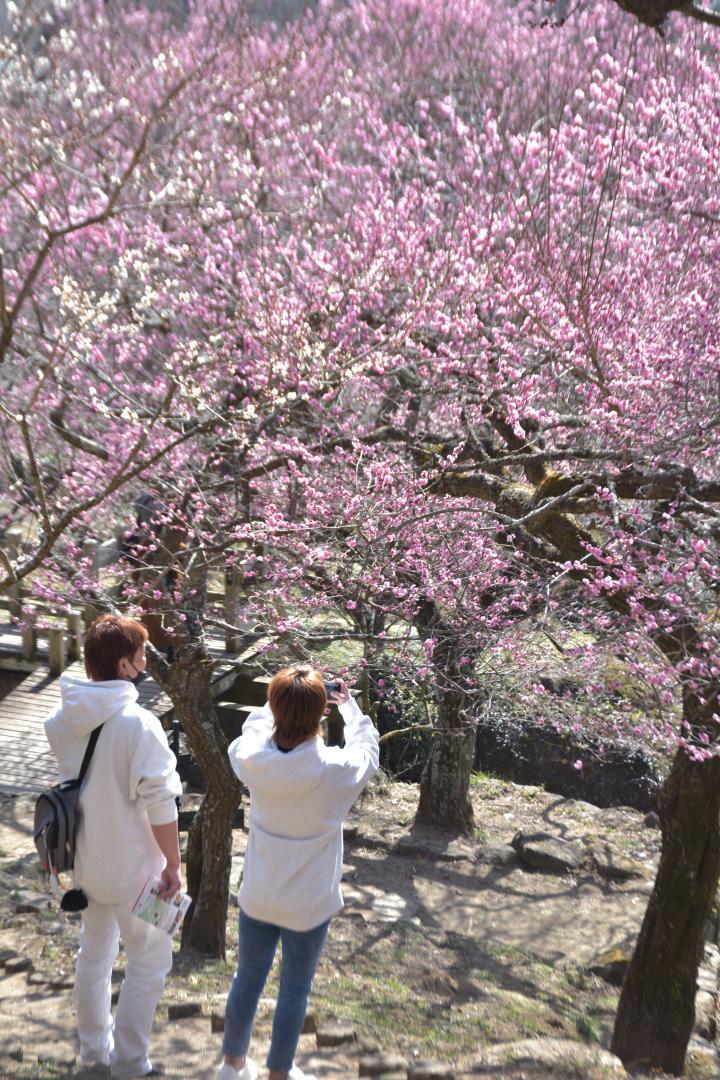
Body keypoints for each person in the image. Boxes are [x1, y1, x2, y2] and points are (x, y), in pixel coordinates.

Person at [218, 665, 380, 1080]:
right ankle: (279, 1072)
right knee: (295, 988)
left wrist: (283, 700)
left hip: (259, 891)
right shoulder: (334, 772)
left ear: (276, 708)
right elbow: (368, 751)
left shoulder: (252, 762)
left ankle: (232, 1065)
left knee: (248, 979)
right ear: (320, 714)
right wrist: (350, 708)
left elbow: (252, 729)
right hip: (309, 903)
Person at [45, 613, 182, 1080]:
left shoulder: (62, 720)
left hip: (85, 864)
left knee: (95, 953)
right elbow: (161, 802)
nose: (147, 661)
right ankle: (130, 1064)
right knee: (150, 959)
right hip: (137, 871)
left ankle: (95, 1055)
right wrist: (174, 865)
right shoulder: (138, 724)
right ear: (125, 665)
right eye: (142, 655)